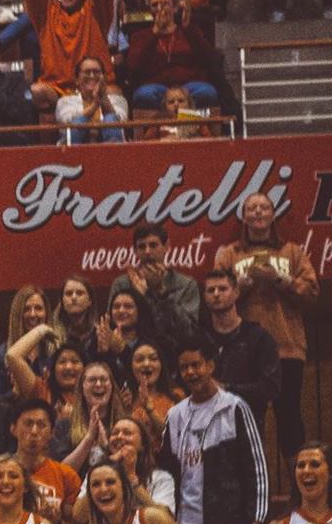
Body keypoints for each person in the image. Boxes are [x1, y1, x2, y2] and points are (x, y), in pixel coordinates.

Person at [165, 335, 269, 524]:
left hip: (229, 523)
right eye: (184, 367)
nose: (190, 372)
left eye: (196, 365)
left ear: (211, 365)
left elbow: (255, 466)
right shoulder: (175, 415)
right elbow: (166, 471)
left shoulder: (234, 407)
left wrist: (256, 517)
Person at [217, 193, 317, 465]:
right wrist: (243, 286)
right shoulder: (229, 254)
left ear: (273, 215)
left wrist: (281, 280)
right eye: (252, 208)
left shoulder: (292, 251)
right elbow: (214, 296)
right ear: (244, 216)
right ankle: (250, 493)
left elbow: (311, 294)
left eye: (264, 207)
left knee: (290, 419)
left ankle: (300, 493)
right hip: (244, 350)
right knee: (244, 421)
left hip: (287, 347)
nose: (258, 212)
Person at [201, 269, 280, 426]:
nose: (216, 294)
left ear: (236, 292)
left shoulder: (258, 337)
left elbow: (271, 387)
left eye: (223, 289)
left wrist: (226, 389)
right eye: (211, 290)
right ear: (204, 297)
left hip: (247, 424)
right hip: (205, 426)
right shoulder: (199, 338)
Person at [108, 221, 202, 339]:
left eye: (153, 245)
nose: (147, 251)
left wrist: (160, 291)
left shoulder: (186, 285)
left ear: (166, 246)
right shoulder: (122, 284)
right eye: (142, 246)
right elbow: (114, 326)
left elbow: (189, 331)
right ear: (135, 251)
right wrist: (139, 296)